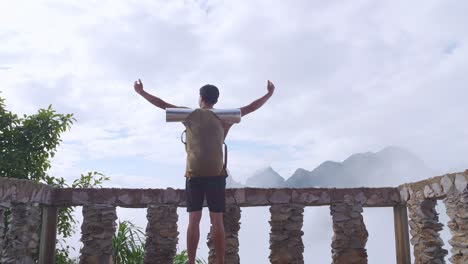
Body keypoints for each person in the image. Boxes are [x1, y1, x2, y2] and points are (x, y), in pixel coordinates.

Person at [134, 79, 275, 264]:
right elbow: (251, 107)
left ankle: (191, 262)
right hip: (216, 175)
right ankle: (221, 261)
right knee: (217, 220)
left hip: (194, 174)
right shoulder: (227, 116)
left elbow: (162, 105)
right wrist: (268, 94)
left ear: (200, 98)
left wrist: (141, 92)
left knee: (194, 219)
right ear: (215, 100)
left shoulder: (190, 114)